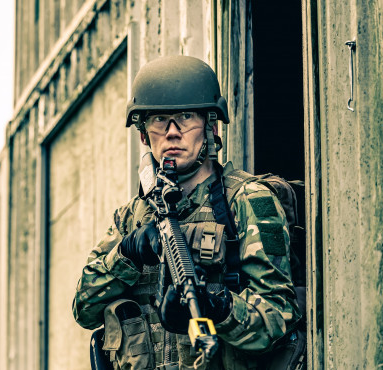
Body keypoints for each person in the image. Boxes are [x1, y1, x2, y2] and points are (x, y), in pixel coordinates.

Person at [72, 55, 301, 369]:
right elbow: (83, 310)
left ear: (209, 126)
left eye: (186, 116)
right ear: (143, 134)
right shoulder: (131, 218)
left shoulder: (246, 200)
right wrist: (126, 254)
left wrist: (218, 309)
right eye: (158, 120)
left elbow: (278, 317)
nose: (172, 132)